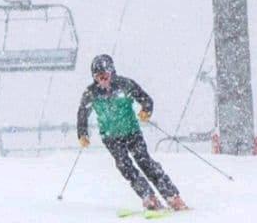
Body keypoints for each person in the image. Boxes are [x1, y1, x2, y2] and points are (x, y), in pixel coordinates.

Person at [76, 54, 188, 211]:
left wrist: (146, 110)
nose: (103, 81)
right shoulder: (91, 93)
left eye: (105, 76)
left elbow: (145, 99)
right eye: (98, 78)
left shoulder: (125, 85)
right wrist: (82, 134)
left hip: (132, 133)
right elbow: (83, 112)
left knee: (145, 162)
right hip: (110, 137)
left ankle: (172, 196)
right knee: (125, 166)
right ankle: (148, 196)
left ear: (112, 73)